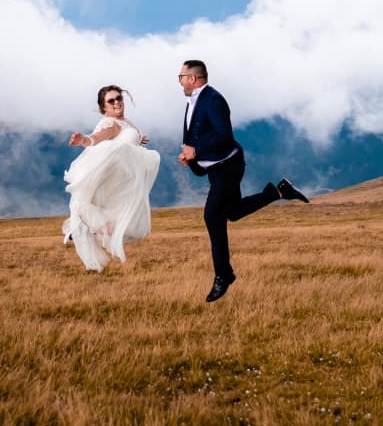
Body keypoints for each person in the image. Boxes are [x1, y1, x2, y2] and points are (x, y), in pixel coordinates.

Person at [177, 59, 309, 302]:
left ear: (193, 78)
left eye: (181, 76)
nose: (179, 81)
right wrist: (191, 157)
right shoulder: (195, 101)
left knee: (212, 216)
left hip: (229, 166)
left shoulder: (214, 100)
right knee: (234, 212)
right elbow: (196, 136)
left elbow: (224, 137)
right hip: (218, 168)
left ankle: (223, 276)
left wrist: (196, 151)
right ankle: (279, 192)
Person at [63, 85, 161, 272]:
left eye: (119, 98)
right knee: (123, 226)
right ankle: (79, 229)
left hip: (124, 177)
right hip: (116, 177)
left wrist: (138, 139)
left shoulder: (124, 121)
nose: (117, 102)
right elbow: (96, 138)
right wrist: (83, 140)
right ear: (104, 107)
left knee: (128, 225)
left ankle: (82, 230)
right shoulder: (111, 124)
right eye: (111, 101)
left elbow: (124, 140)